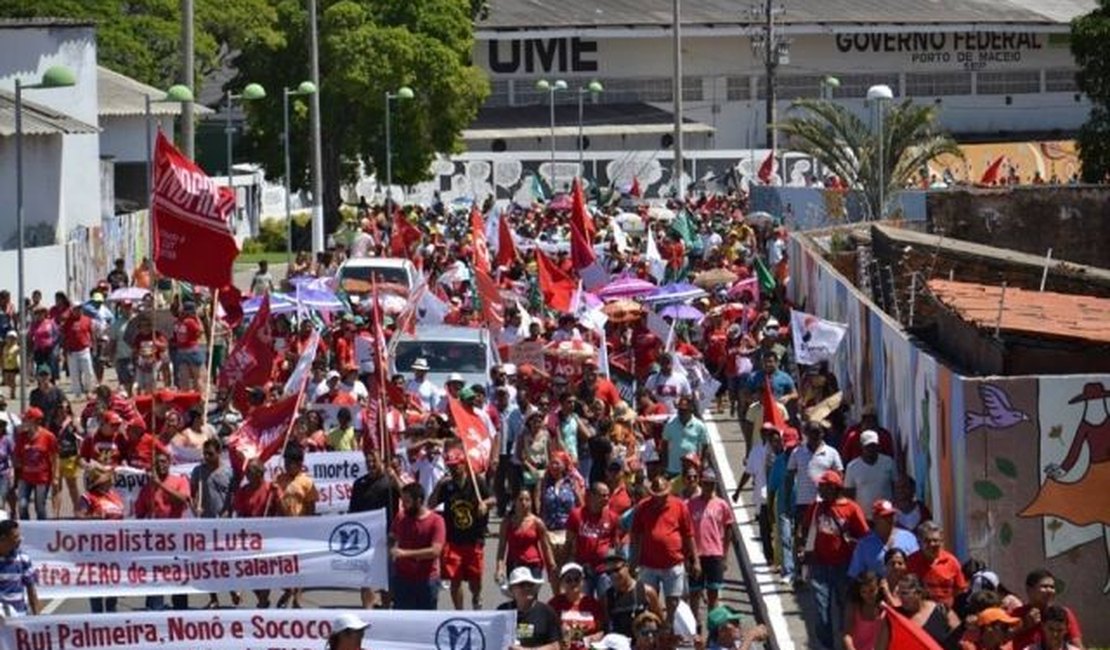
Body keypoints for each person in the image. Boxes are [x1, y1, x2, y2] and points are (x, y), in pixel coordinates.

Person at [802, 470, 869, 650]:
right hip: (820, 567)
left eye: (824, 486)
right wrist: (803, 550)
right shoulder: (816, 507)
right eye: (820, 486)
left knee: (845, 611)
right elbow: (806, 529)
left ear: (835, 488)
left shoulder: (851, 509)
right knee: (821, 612)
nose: (820, 490)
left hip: (844, 567)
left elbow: (864, 537)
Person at [429, 447, 494, 610]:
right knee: (454, 578)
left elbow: (494, 498)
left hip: (474, 538)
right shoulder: (447, 485)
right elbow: (430, 505)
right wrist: (439, 485)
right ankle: (459, 611)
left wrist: (485, 504)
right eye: (449, 466)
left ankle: (476, 598)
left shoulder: (476, 481)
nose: (452, 469)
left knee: (475, 579)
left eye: (455, 465)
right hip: (453, 540)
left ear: (463, 464)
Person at [629, 475, 699, 622]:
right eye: (656, 495)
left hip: (673, 563)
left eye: (662, 495)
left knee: (674, 601)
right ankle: (655, 632)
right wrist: (633, 562)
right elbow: (635, 536)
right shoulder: (642, 507)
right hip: (648, 563)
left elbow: (689, 534)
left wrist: (695, 561)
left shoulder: (679, 505)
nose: (659, 498)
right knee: (648, 601)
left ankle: (672, 629)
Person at [135, 449, 191, 610]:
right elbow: (140, 513)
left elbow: (182, 500)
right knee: (156, 574)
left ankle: (180, 608)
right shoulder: (147, 488)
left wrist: (160, 485)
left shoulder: (180, 481)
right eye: (158, 462)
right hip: (155, 541)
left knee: (178, 575)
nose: (161, 464)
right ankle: (155, 607)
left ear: (170, 463)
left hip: (176, 538)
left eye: (164, 461)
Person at [232, 459, 283, 608]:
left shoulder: (271, 489)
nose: (247, 475)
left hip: (269, 538)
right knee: (249, 572)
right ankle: (262, 598)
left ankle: (262, 601)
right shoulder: (243, 491)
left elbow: (283, 512)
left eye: (250, 472)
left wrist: (277, 495)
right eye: (247, 472)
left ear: (260, 474)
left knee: (265, 572)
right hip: (249, 538)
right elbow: (239, 513)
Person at [190, 437, 234, 608]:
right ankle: (214, 598)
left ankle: (232, 590)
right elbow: (193, 494)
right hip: (205, 524)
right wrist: (195, 507)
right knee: (208, 563)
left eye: (210, 454)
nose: (206, 457)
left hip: (224, 524)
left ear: (219, 453)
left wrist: (226, 513)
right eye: (205, 454)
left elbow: (232, 497)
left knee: (226, 562)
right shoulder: (198, 471)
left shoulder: (229, 472)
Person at [687, 466, 735, 619]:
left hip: (714, 553)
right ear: (701, 483)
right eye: (706, 483)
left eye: (712, 484)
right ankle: (695, 627)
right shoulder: (690, 504)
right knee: (694, 593)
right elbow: (686, 532)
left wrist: (725, 554)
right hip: (696, 555)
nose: (709, 487)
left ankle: (713, 629)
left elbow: (728, 527)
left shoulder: (721, 504)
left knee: (713, 595)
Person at [274, 443, 318, 609]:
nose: (286, 465)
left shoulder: (306, 482)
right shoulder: (279, 480)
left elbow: (312, 507)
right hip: (282, 529)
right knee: (284, 564)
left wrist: (309, 526)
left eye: (290, 462)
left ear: (299, 463)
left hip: (301, 529)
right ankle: (288, 590)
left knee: (300, 565)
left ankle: (297, 596)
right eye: (285, 462)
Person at [391, 482, 446, 610]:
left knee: (426, 620)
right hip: (402, 579)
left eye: (407, 501)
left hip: (426, 581)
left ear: (419, 501)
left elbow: (435, 551)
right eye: (402, 501)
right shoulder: (401, 517)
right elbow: (392, 535)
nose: (403, 505)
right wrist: (389, 544)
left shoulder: (436, 521)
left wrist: (405, 554)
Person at [76, 467, 124, 613]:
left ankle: (111, 616)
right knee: (96, 586)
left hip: (115, 547)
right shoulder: (88, 497)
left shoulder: (114, 495)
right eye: (105, 480)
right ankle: (97, 618)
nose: (109, 482)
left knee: (113, 586)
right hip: (96, 547)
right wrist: (95, 518)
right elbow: (78, 517)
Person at [566, 481, 621, 599]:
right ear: (592, 496)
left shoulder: (613, 517)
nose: (607, 498)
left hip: (603, 570)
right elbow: (569, 543)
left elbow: (615, 545)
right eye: (603, 495)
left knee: (606, 601)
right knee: (584, 602)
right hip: (583, 569)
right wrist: (566, 565)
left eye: (608, 495)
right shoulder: (576, 515)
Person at [878, 574, 958, 648]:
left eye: (905, 593)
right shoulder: (894, 618)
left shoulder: (942, 611)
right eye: (899, 593)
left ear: (919, 593)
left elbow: (961, 637)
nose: (901, 598)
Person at [1010, 569, 1083, 649]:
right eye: (1044, 586)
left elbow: (1077, 644)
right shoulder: (1016, 615)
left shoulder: (1063, 613)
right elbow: (1001, 640)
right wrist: (1024, 624)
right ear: (1029, 590)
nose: (1049, 591)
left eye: (1052, 587)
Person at [496, 488, 556, 586]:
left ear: (531, 502)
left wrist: (552, 566)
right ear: (515, 502)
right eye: (520, 499)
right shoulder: (507, 523)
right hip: (514, 564)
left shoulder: (537, 522)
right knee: (518, 597)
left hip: (533, 565)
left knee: (531, 597)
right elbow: (501, 547)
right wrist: (499, 568)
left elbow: (546, 547)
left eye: (527, 500)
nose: (524, 503)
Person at [848, 500, 919, 579]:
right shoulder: (864, 545)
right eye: (885, 517)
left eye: (891, 515)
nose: (890, 520)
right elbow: (855, 575)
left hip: (905, 588)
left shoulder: (908, 537)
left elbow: (918, 565)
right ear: (875, 519)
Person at [603, 549, 665, 638]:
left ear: (627, 566)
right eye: (609, 572)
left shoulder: (646, 591)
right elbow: (607, 626)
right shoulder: (607, 596)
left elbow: (660, 622)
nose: (613, 575)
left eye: (617, 570)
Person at [907, 521, 967, 609]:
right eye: (927, 541)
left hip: (946, 613)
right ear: (919, 543)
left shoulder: (951, 561)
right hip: (920, 614)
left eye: (935, 540)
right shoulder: (910, 562)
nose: (932, 544)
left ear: (941, 541)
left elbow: (960, 590)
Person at [498, 566, 562, 650]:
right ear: (511, 590)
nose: (527, 588)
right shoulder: (502, 611)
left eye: (530, 584)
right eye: (522, 585)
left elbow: (556, 646)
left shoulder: (546, 612)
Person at [13, 408, 57, 520]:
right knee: (22, 505)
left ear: (35, 421)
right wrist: (17, 465)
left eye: (27, 419)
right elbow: (16, 456)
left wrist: (55, 477)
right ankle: (25, 529)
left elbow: (54, 458)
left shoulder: (48, 437)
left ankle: (43, 530)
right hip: (25, 477)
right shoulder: (22, 437)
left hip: (42, 478)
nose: (24, 422)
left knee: (40, 507)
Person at [548, 562, 605, 649]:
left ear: (582, 581)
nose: (573, 583)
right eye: (568, 580)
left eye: (576, 579)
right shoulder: (554, 604)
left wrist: (593, 639)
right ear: (562, 583)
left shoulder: (593, 604)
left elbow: (601, 631)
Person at [843, 431, 895, 512]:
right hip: (863, 516)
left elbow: (895, 486)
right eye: (868, 446)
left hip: (886, 515)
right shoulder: (852, 467)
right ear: (861, 446)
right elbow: (848, 494)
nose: (871, 449)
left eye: (873, 446)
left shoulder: (888, 462)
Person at [660, 396, 708, 479]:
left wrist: (701, 462)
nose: (681, 413)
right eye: (680, 410)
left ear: (691, 409)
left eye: (684, 410)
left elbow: (705, 444)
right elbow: (664, 444)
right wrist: (665, 464)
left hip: (691, 470)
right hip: (673, 468)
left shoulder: (699, 425)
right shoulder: (670, 424)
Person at [0, 519, 40, 616]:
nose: (20, 539)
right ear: (3, 538)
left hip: (19, 617)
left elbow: (31, 590)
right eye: (15, 537)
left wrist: (38, 618)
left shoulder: (23, 558)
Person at [842, 572, 884, 650]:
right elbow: (847, 634)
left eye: (872, 590)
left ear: (878, 588)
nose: (868, 596)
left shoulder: (885, 607)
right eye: (864, 592)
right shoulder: (854, 606)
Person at [705, 605, 770, 650]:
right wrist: (750, 637)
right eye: (734, 623)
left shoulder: (737, 643)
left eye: (738, 622)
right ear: (721, 631)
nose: (739, 626)